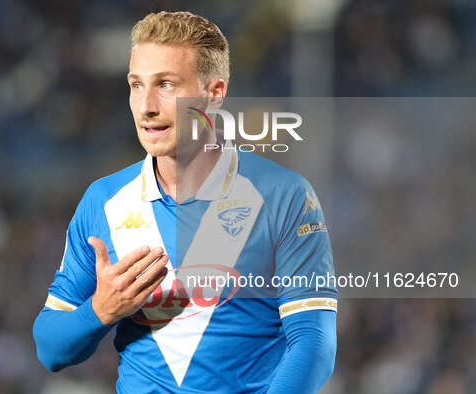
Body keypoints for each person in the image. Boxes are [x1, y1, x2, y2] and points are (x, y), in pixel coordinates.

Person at [33, 11, 337, 393]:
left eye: (166, 85)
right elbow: (50, 349)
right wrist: (101, 311)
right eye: (136, 85)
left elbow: (315, 344)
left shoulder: (284, 195)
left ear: (214, 94)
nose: (146, 106)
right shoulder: (103, 201)